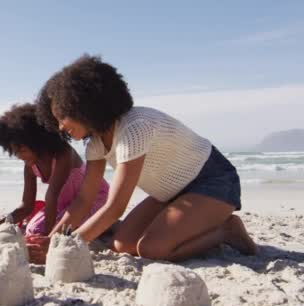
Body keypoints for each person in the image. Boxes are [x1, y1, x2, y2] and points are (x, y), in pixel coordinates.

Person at [30, 54, 256, 263]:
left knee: (152, 249)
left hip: (212, 182)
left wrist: (65, 248)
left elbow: (115, 208)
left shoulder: (135, 128)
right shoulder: (96, 143)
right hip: (169, 194)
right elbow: (83, 200)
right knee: (122, 244)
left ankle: (226, 231)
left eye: (62, 117)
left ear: (82, 106)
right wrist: (53, 239)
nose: (60, 126)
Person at [0, 103, 109, 236]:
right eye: (15, 152)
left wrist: (48, 238)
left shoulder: (63, 154)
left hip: (91, 200)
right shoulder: (30, 166)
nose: (19, 156)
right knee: (33, 229)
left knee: (58, 232)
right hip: (64, 206)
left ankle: (108, 225)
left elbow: (52, 195)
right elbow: (26, 206)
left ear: (38, 141)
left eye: (23, 150)